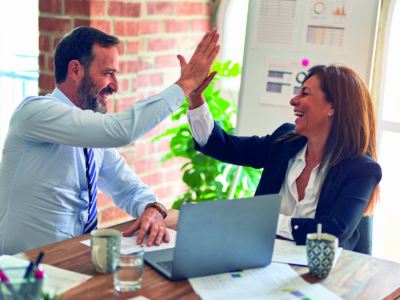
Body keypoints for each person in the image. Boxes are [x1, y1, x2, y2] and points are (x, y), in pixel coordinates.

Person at [0, 26, 220, 255]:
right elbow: (121, 130)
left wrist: (151, 207)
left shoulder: (90, 135)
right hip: (21, 273)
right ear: (75, 69)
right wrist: (184, 85)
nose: (115, 86)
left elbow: (126, 185)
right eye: (108, 73)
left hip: (73, 263)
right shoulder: (34, 112)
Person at [186, 64, 381, 250]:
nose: (293, 100)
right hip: (263, 260)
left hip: (324, 274)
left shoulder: (361, 169)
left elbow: (333, 232)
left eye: (305, 93)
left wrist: (266, 220)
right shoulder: (284, 142)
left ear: (333, 107)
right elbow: (223, 146)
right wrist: (196, 97)